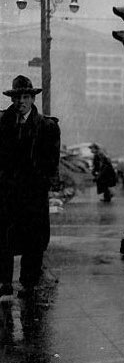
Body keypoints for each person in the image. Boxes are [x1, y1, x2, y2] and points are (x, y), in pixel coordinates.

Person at [0, 75, 60, 296]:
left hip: (33, 194)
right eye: (17, 97)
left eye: (26, 97)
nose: (21, 102)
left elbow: (52, 161)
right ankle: (4, 283)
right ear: (12, 99)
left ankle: (29, 284)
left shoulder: (47, 126)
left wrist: (43, 183)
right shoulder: (3, 123)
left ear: (33, 99)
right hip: (6, 193)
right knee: (4, 239)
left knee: (33, 240)